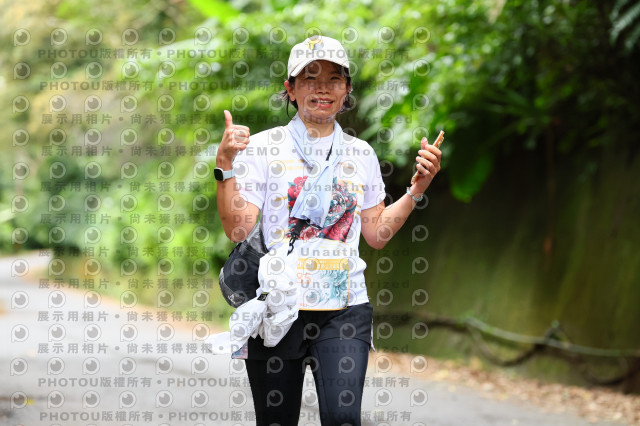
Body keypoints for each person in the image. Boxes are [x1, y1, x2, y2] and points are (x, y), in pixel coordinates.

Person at [215, 35, 442, 426]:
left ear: (347, 89)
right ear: (290, 89)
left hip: (344, 310)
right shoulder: (263, 147)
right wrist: (225, 166)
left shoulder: (361, 154)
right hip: (277, 307)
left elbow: (377, 235)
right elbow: (238, 229)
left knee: (343, 419)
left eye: (334, 79)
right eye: (310, 78)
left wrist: (416, 190)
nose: (322, 88)